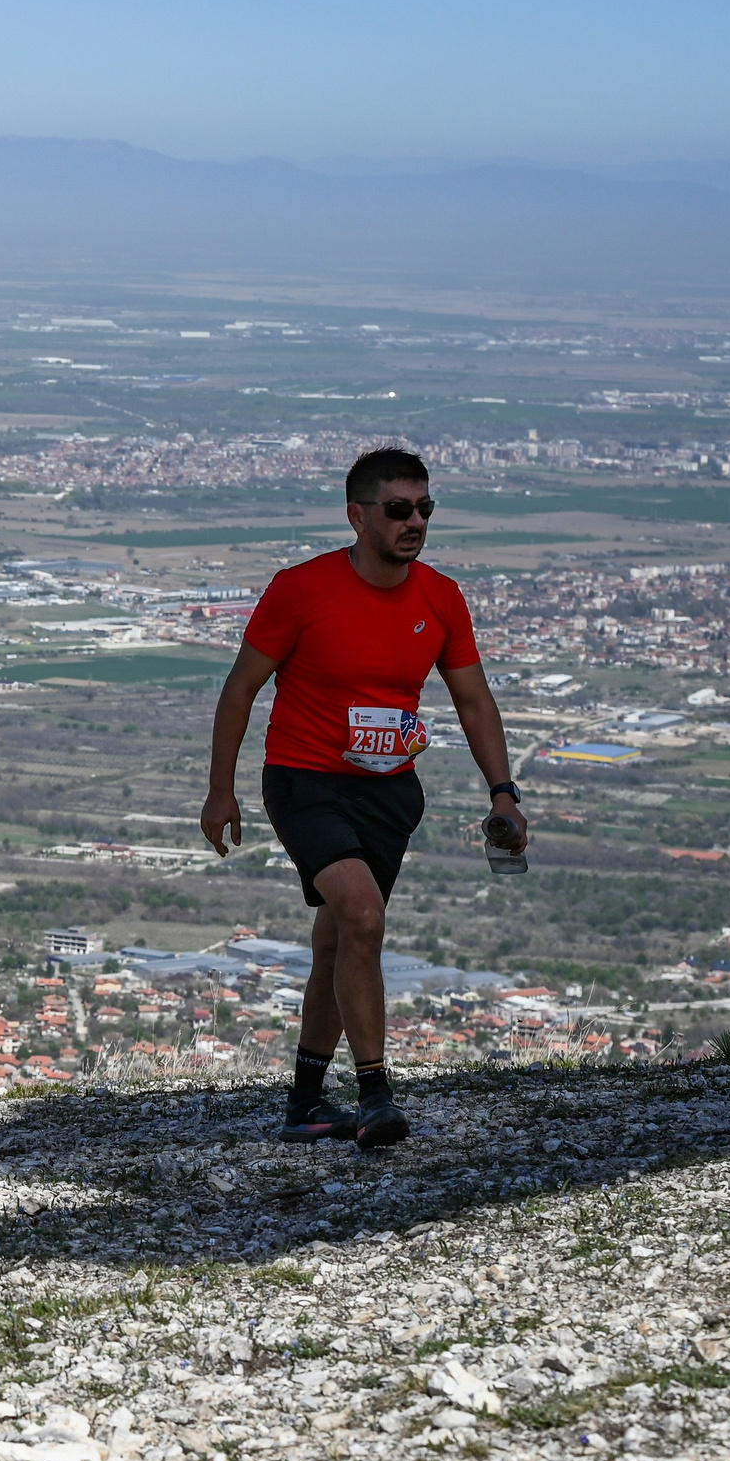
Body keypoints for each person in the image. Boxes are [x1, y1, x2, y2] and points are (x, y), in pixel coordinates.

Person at [202, 447, 526, 1149]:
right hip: (304, 779)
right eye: (399, 509)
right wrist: (220, 788)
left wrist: (503, 792)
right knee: (363, 915)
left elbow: (472, 699)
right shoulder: (301, 589)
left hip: (388, 791)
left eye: (425, 508)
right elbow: (240, 688)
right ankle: (377, 1095)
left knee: (338, 940)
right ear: (357, 515)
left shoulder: (440, 597)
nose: (415, 522)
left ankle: (305, 1104)